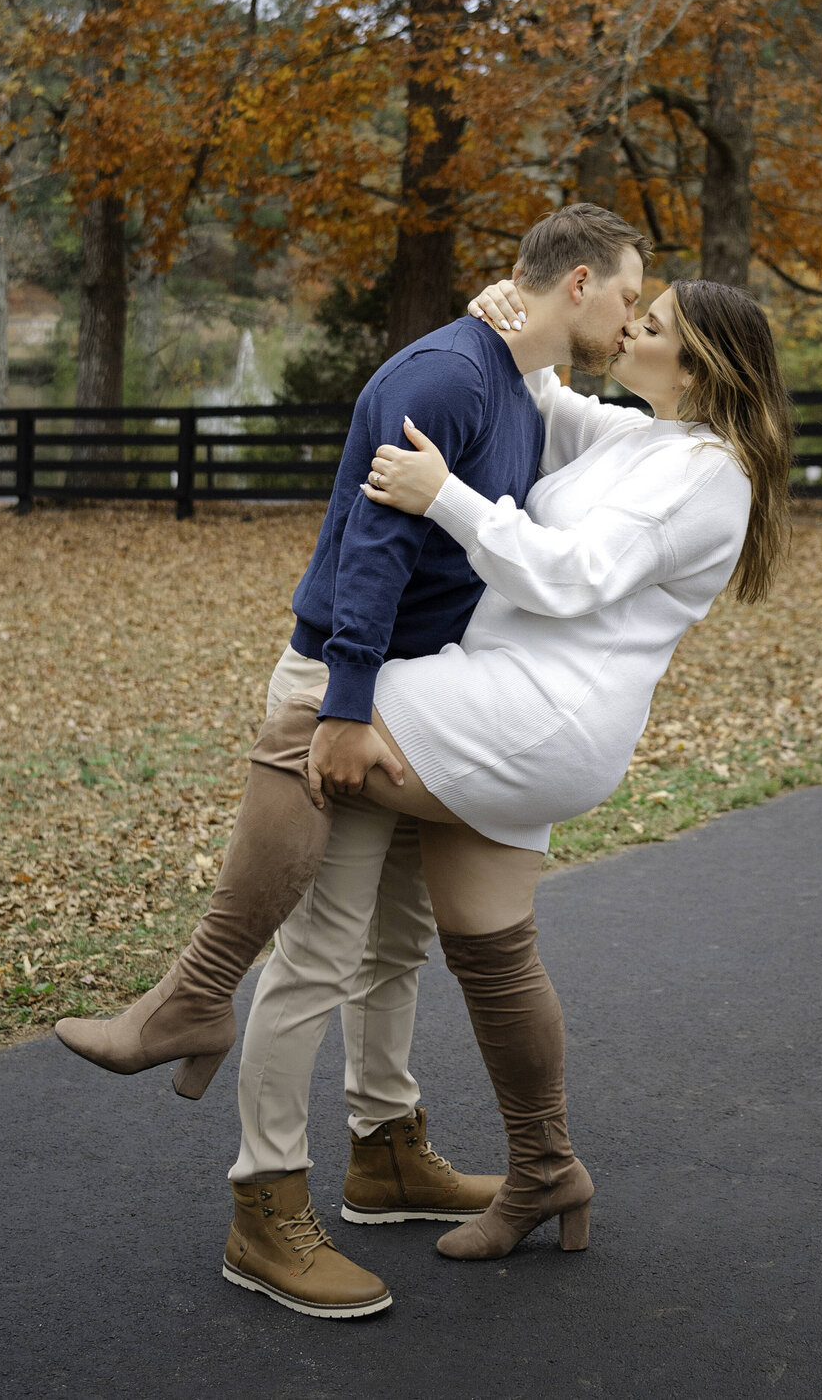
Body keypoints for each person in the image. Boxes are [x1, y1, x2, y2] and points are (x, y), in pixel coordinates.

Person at [55, 205, 651, 1319]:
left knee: (393, 942)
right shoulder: (447, 378)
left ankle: (386, 1151)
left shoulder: (516, 382)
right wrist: (346, 706)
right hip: (352, 689)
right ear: (578, 282)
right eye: (626, 296)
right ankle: (263, 1208)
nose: (631, 317)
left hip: (412, 703)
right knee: (320, 952)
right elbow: (371, 550)